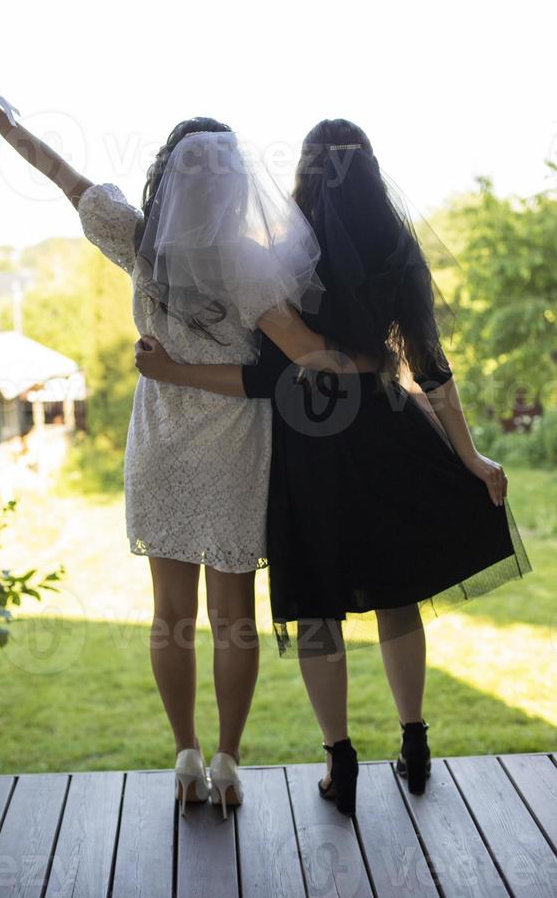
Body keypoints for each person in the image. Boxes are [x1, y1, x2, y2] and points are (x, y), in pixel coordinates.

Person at [135, 118, 532, 816]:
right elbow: (432, 368)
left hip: (309, 445)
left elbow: (265, 377)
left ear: (304, 175)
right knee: (397, 592)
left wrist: (170, 368)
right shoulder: (395, 249)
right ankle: (414, 742)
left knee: (318, 604)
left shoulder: (282, 258)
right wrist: (469, 457)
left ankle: (339, 761)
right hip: (387, 436)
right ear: (372, 173)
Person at [0, 83, 331, 816]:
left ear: (166, 176)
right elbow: (308, 356)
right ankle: (228, 759)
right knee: (234, 620)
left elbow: (62, 175)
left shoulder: (138, 243)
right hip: (233, 460)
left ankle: (184, 753)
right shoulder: (252, 267)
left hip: (159, 451)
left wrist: (3, 119)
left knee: (168, 617)